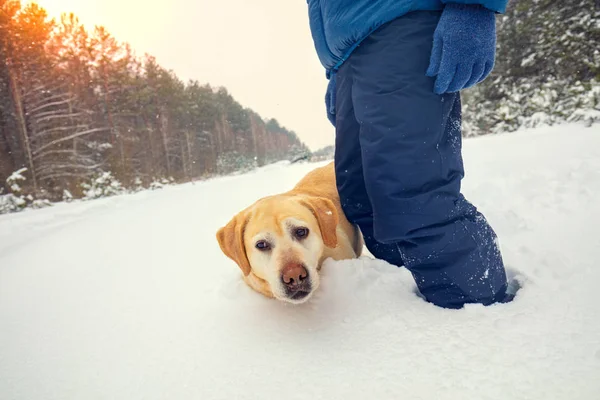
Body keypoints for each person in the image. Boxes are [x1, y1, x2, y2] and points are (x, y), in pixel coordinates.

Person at [306, 0, 515, 309]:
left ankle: (477, 315)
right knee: (360, 193)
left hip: (401, 20)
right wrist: (337, 70)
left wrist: (474, 6)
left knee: (410, 192)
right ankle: (415, 301)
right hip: (349, 51)